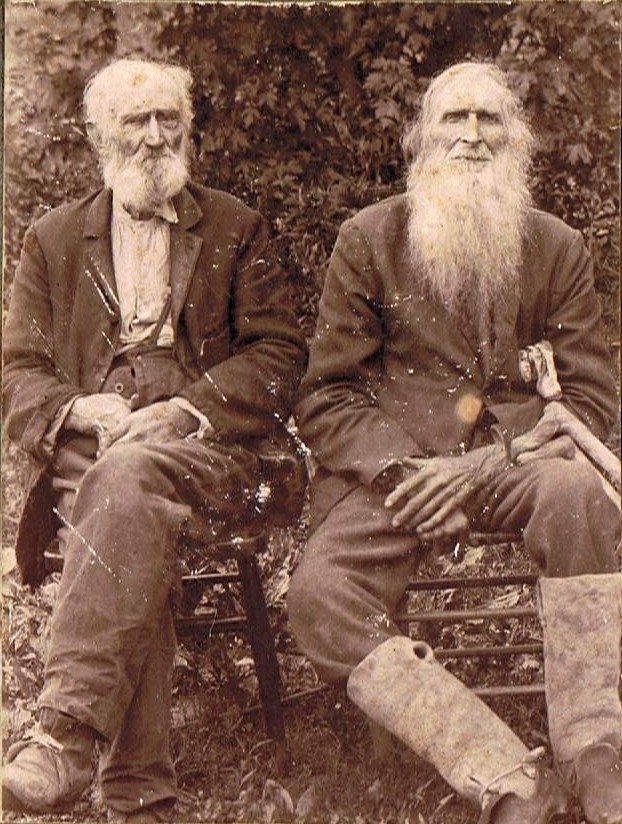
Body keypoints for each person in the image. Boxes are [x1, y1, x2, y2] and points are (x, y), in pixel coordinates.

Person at [288, 61, 621, 824]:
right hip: (398, 475)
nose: (472, 135)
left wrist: (476, 468)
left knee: (579, 495)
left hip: (515, 461)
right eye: (454, 119)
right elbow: (327, 394)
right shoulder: (369, 239)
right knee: (318, 594)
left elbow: (591, 401)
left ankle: (594, 749)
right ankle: (499, 769)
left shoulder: (556, 246)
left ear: (516, 138)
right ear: (421, 139)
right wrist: (407, 471)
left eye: (488, 119)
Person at [2, 58, 307, 822]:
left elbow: (280, 355)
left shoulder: (236, 227)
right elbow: (16, 373)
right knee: (126, 500)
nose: (153, 136)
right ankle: (139, 794)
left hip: (218, 458)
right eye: (134, 121)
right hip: (97, 452)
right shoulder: (53, 239)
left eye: (168, 118)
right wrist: (82, 409)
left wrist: (185, 411)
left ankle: (67, 737)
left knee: (123, 489)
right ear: (99, 134)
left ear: (189, 129)